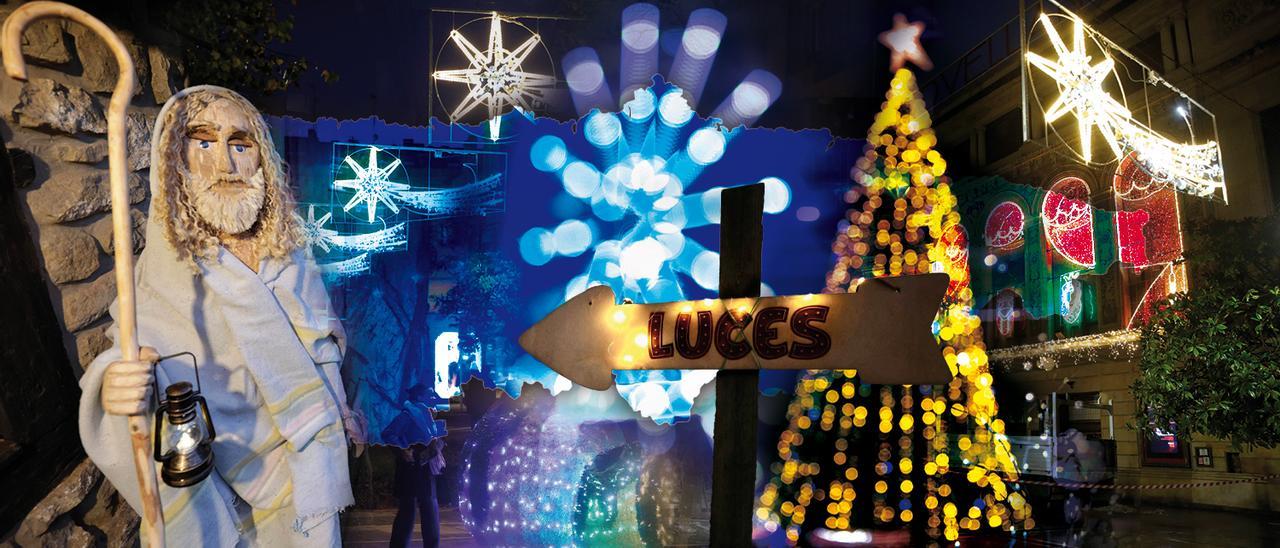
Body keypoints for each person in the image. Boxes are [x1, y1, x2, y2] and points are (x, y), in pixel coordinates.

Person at [79, 86, 363, 546]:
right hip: (224, 483)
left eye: (240, 143)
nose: (226, 164)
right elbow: (135, 343)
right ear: (174, 162)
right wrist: (115, 379)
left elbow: (321, 340)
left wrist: (341, 407)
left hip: (311, 465)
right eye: (204, 142)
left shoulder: (289, 253)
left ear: (262, 161)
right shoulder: (165, 270)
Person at [389, 439, 445, 548]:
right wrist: (402, 452)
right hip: (410, 468)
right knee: (408, 514)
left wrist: (419, 456)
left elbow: (440, 438)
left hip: (423, 469)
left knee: (424, 513)